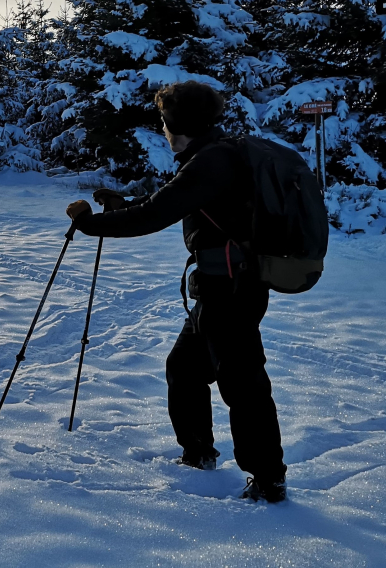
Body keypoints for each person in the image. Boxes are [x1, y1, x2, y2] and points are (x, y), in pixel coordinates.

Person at [65, 80, 288, 503]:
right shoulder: (214, 155)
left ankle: (268, 480)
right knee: (185, 368)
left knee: (243, 384)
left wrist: (93, 224)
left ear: (173, 123)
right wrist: (122, 203)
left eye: (164, 122)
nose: (163, 130)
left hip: (232, 290)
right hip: (223, 287)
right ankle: (198, 454)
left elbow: (156, 214)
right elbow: (177, 198)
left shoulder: (211, 162)